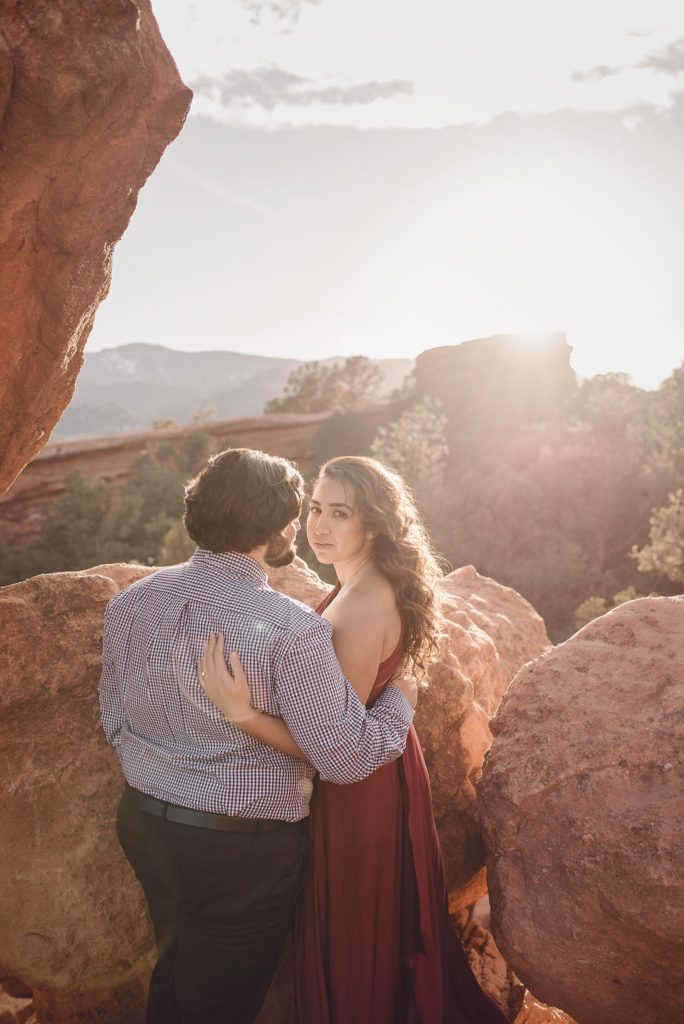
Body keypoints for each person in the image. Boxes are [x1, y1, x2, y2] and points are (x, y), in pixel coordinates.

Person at [99, 448, 418, 1024]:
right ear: (277, 528)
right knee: (213, 1007)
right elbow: (344, 759)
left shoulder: (131, 603)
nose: (305, 526)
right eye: (301, 513)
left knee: (172, 977)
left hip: (143, 824)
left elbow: (113, 717)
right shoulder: (291, 631)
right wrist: (399, 704)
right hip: (239, 853)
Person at [198, 455, 510, 1024]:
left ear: (373, 526)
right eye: (316, 509)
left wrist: (244, 715)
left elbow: (331, 749)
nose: (319, 526)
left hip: (358, 795)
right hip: (378, 775)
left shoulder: (361, 605)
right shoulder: (361, 585)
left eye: (339, 513)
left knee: (356, 931)